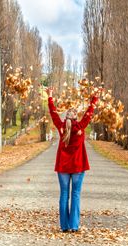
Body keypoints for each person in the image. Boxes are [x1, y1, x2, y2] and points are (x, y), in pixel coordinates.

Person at [47, 87, 99, 233]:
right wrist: (94, 98)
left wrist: (50, 97)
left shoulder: (61, 127)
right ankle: (74, 226)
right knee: (76, 194)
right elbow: (89, 113)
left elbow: (53, 113)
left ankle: (64, 226)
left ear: (66, 118)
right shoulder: (81, 126)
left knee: (64, 194)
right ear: (76, 118)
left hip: (63, 168)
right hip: (78, 167)